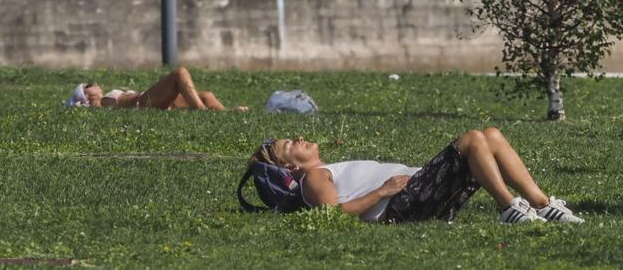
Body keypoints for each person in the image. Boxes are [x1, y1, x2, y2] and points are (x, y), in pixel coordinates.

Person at [249, 128, 584, 224]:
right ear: (291, 167)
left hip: (414, 193)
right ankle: (509, 207)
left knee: (490, 136)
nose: (298, 139)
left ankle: (542, 204)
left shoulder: (326, 170)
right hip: (402, 206)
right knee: (471, 140)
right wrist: (381, 192)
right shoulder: (313, 180)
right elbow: (330, 214)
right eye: (290, 145)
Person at [65, 66, 248, 111]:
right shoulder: (102, 104)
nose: (96, 85)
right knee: (180, 74)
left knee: (206, 96)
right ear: (86, 96)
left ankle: (228, 114)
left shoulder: (105, 100)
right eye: (90, 86)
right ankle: (202, 112)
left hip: (146, 100)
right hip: (142, 102)